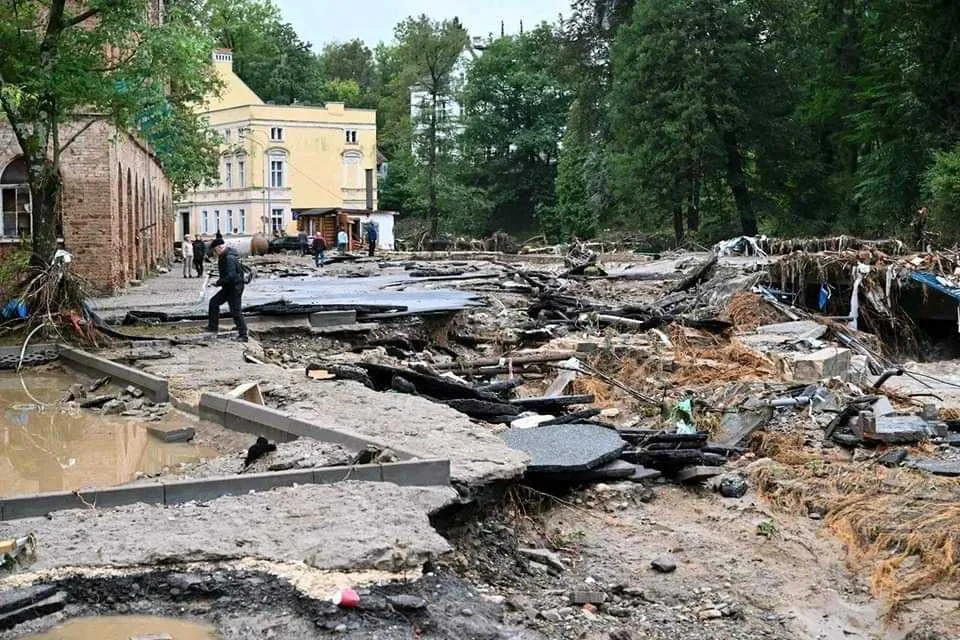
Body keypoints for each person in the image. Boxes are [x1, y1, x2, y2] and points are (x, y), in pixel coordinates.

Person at [205, 238, 248, 342]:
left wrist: (218, 282)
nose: (215, 253)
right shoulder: (224, 256)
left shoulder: (229, 258)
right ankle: (212, 327)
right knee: (214, 302)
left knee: (236, 310)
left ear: (220, 248)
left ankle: (243, 335)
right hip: (229, 286)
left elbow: (231, 275)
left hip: (235, 287)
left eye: (215, 250)